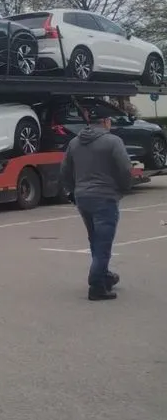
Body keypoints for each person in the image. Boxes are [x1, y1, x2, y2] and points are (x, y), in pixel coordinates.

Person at [59, 110, 134, 301]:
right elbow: (125, 168)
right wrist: (124, 188)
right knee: (103, 243)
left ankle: (104, 276)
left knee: (95, 239)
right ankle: (96, 285)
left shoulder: (74, 143)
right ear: (106, 121)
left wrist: (71, 192)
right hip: (105, 197)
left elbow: (65, 171)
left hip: (83, 198)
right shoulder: (113, 141)